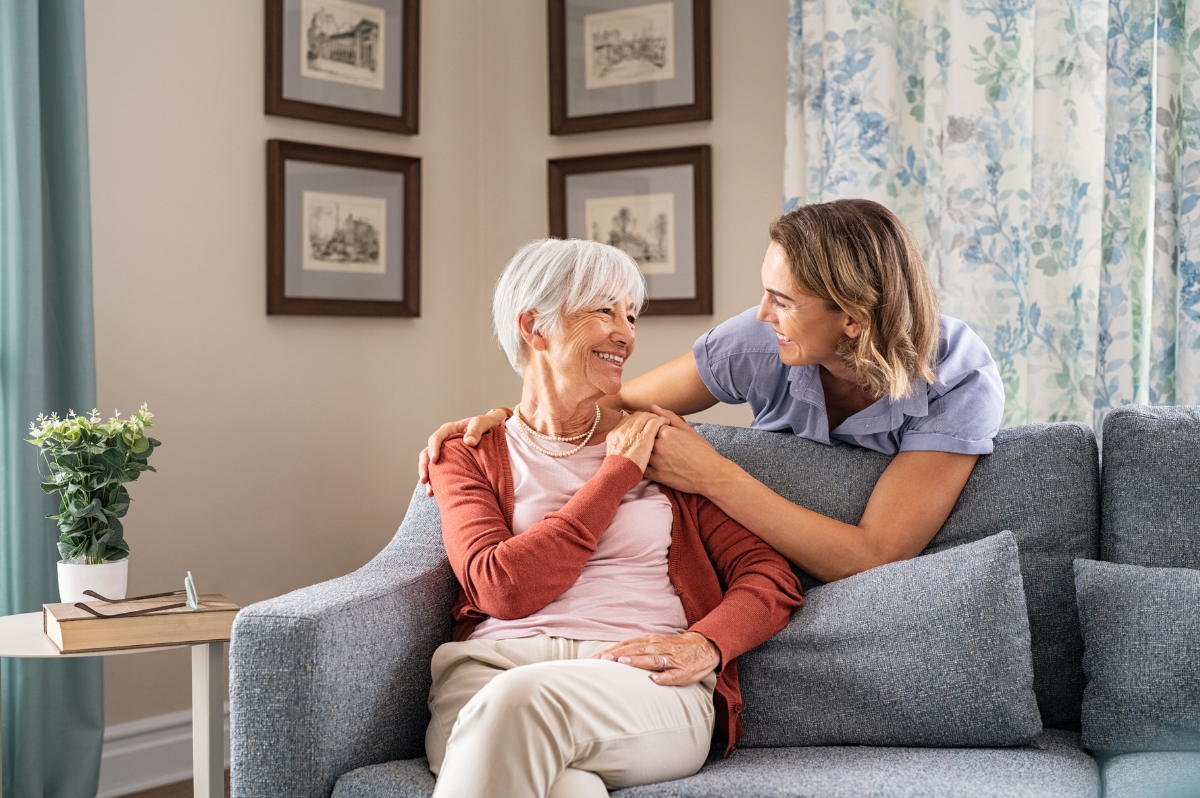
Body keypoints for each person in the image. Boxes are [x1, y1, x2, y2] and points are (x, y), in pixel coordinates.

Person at [421, 199, 1004, 583]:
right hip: (757, 568)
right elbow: (612, 403)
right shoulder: (757, 341)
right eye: (764, 291)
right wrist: (511, 421)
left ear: (852, 318)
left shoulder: (957, 377)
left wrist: (711, 474)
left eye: (784, 300)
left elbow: (874, 556)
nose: (761, 312)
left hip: (859, 586)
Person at [424, 238, 803, 798]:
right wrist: (614, 477)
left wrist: (707, 645)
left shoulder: (663, 445)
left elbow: (770, 577)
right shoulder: (469, 451)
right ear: (535, 327)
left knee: (521, 704)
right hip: (490, 673)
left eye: (630, 315)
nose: (626, 333)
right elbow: (501, 589)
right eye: (604, 310)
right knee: (568, 790)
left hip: (637, 680)